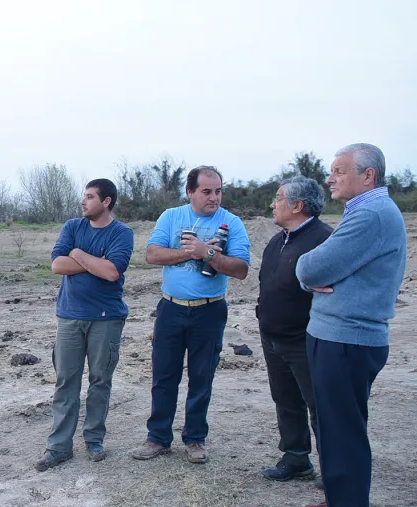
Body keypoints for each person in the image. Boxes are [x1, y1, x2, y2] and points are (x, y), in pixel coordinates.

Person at [296, 144, 407, 507]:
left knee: (343, 430)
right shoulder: (364, 211)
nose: (330, 178)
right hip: (335, 336)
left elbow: (310, 267)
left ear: (368, 175)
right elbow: (318, 269)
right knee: (333, 425)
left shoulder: (371, 214)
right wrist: (311, 274)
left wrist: (305, 274)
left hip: (347, 340)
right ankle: (338, 497)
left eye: (339, 171)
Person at [132, 165, 251, 464]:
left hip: (210, 310)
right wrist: (191, 252)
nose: (214, 198)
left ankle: (195, 438)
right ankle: (158, 438)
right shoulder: (171, 216)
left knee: (202, 376)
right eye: (207, 191)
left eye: (219, 191)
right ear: (190, 192)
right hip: (171, 308)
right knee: (164, 375)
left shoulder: (232, 222)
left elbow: (241, 270)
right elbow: (152, 254)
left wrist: (208, 253)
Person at [35, 178, 134, 472]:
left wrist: (76, 255)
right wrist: (89, 260)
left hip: (107, 318)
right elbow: (57, 265)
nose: (83, 201)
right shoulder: (72, 227)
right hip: (69, 316)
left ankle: (94, 440)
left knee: (100, 381)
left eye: (90, 197)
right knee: (66, 382)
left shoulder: (122, 233)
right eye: (84, 196)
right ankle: (59, 447)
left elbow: (112, 272)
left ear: (106, 202)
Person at [256, 176, 333, 482]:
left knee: (319, 404)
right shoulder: (279, 239)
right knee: (285, 399)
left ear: (297, 206)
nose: (272, 204)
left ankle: (333, 468)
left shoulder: (324, 240)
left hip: (306, 339)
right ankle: (296, 457)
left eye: (277, 198)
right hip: (272, 335)